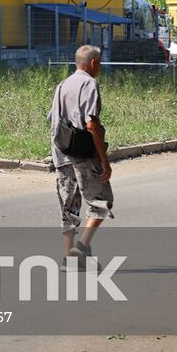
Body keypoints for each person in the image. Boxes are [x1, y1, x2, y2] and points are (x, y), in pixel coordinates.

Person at [49, 44, 114, 266]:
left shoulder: (62, 85)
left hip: (61, 153)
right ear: (93, 63)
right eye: (100, 63)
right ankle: (82, 246)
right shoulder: (89, 84)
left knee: (68, 206)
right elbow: (91, 124)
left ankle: (68, 258)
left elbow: (53, 119)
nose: (101, 67)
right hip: (83, 155)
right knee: (101, 201)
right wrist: (103, 160)